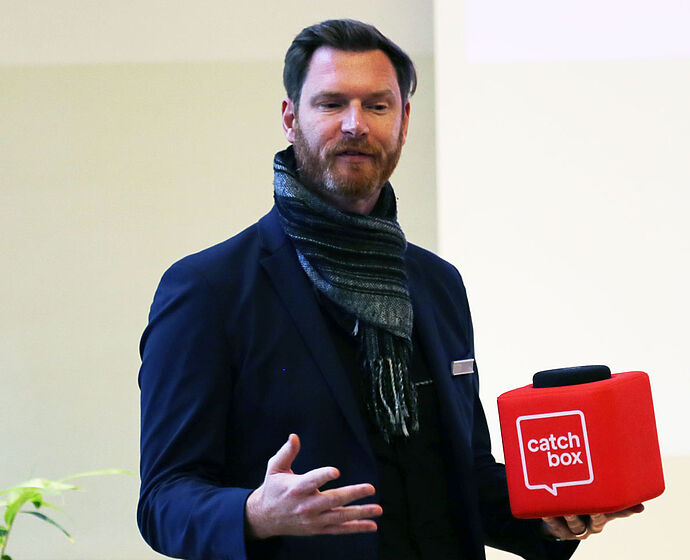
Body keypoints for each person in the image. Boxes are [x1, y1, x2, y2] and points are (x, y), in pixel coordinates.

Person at [138, 19, 642, 560]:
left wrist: (552, 513)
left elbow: (464, 476)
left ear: (403, 124)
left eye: (377, 106)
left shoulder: (437, 283)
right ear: (290, 119)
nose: (355, 124)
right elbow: (164, 500)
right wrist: (253, 514)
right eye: (331, 104)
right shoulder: (208, 289)